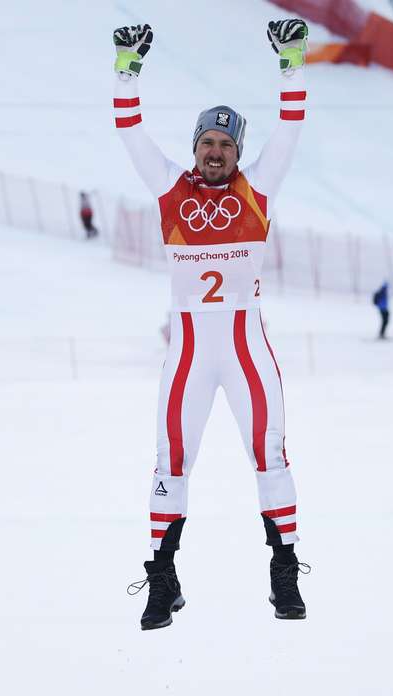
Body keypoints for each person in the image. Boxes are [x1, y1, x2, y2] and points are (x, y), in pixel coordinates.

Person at [112, 18, 310, 630]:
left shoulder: (260, 187)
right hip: (190, 355)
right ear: (195, 148)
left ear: (238, 151)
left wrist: (292, 59)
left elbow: (292, 124)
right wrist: (127, 67)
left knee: (269, 453)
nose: (216, 153)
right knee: (170, 459)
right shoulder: (171, 190)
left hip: (247, 349)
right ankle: (162, 578)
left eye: (225, 145)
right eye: (207, 144)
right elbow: (130, 130)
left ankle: (283, 573)